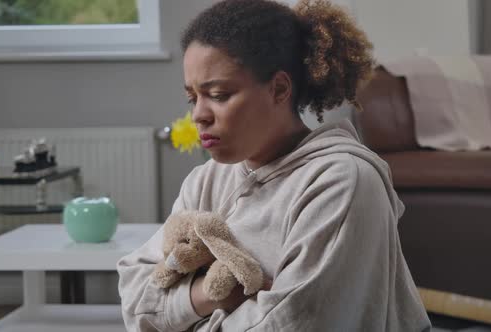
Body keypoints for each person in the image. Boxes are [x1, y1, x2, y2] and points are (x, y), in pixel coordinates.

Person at [117, 0, 431, 331]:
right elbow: (135, 297)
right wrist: (210, 296)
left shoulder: (342, 182)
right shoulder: (206, 181)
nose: (199, 115)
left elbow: (293, 323)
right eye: (193, 98)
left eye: (219, 94)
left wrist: (178, 319)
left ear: (279, 89)